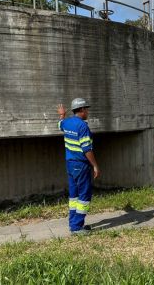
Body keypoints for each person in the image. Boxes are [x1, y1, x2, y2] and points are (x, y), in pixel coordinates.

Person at [57, 98, 100, 235]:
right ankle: (77, 227)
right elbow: (87, 149)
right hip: (81, 165)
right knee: (84, 195)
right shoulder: (82, 126)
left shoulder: (67, 122)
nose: (87, 111)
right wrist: (95, 166)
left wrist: (62, 115)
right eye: (86, 109)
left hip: (70, 164)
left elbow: (60, 125)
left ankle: (73, 223)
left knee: (74, 196)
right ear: (81, 110)